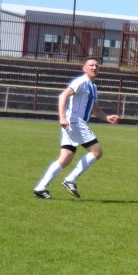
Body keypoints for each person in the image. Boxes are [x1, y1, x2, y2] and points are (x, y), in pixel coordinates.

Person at [33, 56, 119, 199]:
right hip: (75, 122)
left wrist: (107, 117)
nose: (94, 67)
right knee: (97, 152)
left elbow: (96, 110)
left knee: (65, 158)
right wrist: (62, 117)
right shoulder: (81, 82)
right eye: (91, 65)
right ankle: (70, 179)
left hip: (72, 124)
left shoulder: (93, 86)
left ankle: (41, 187)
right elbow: (63, 96)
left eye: (96, 65)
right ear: (84, 68)